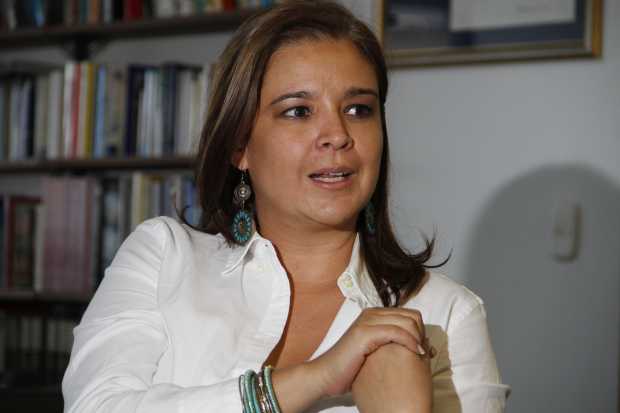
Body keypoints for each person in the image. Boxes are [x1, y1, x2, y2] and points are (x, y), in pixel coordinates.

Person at [62, 1, 510, 412]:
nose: (337, 135)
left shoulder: (445, 314)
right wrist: (315, 378)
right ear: (240, 146)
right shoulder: (163, 257)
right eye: (298, 111)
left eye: (358, 109)